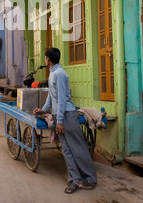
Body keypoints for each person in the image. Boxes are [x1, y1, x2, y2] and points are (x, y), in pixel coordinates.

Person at [33, 47, 97, 193]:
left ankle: (90, 179)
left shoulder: (60, 74)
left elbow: (62, 100)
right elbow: (51, 96)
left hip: (67, 115)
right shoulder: (53, 73)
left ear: (48, 59)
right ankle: (75, 180)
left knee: (78, 148)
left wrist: (60, 121)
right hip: (59, 116)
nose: (44, 60)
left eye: (45, 57)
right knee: (67, 150)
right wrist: (43, 109)